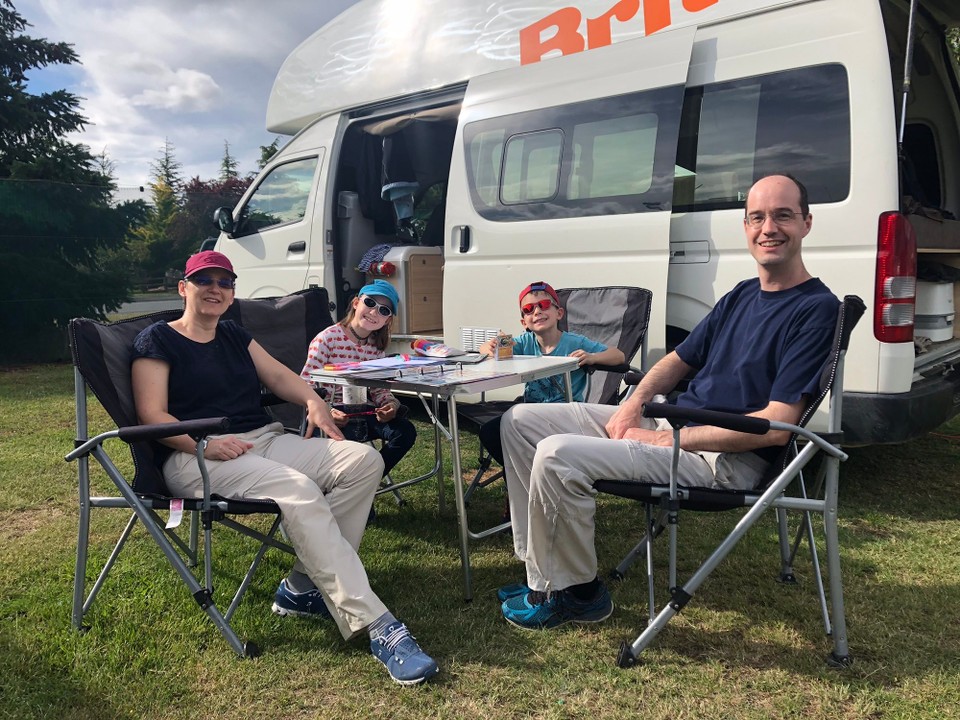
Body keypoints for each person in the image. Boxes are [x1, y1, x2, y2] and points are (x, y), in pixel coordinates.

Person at [497, 174, 840, 630]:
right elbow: (679, 359)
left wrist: (665, 441)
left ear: (806, 223)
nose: (768, 228)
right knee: (518, 421)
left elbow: (776, 426)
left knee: (558, 455)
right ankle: (539, 572)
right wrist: (632, 403)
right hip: (673, 426)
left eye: (783, 215)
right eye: (757, 217)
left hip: (722, 458)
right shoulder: (740, 295)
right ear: (745, 227)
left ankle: (578, 593)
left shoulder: (815, 310)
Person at [130, 251, 438, 685]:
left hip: (263, 439)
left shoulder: (234, 334)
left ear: (233, 293)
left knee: (363, 460)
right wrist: (205, 443)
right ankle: (378, 625)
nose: (216, 288)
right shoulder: (158, 339)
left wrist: (313, 400)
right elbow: (151, 416)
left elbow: (278, 377)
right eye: (205, 280)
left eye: (225, 281)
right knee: (299, 488)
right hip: (192, 457)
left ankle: (300, 587)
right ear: (184, 288)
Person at [476, 280, 626, 466]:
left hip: (564, 416)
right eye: (529, 309)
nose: (537, 312)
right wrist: (489, 348)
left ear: (559, 313)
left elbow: (618, 356)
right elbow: (483, 349)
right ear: (524, 322)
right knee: (490, 432)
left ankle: (534, 475)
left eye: (544, 305)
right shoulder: (524, 342)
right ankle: (524, 478)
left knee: (514, 420)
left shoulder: (575, 343)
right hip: (530, 412)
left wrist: (592, 356)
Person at [300, 279, 417, 481]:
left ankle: (365, 482)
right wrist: (327, 411)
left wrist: (390, 405)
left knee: (405, 431)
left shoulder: (376, 347)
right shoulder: (327, 338)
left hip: (365, 410)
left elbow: (379, 388)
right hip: (335, 413)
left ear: (387, 320)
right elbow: (305, 384)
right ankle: (356, 486)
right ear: (356, 303)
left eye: (384, 310)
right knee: (349, 451)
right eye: (370, 303)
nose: (374, 312)